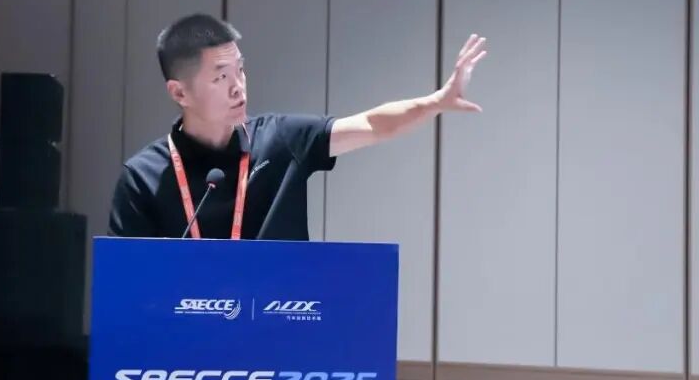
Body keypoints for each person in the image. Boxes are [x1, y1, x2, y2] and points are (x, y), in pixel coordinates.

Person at [109, 13, 487, 240]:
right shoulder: (143, 177)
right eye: (220, 77)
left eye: (240, 69)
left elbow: (372, 125)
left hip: (279, 333)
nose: (238, 86)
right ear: (179, 92)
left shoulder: (280, 140)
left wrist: (436, 101)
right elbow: (125, 288)